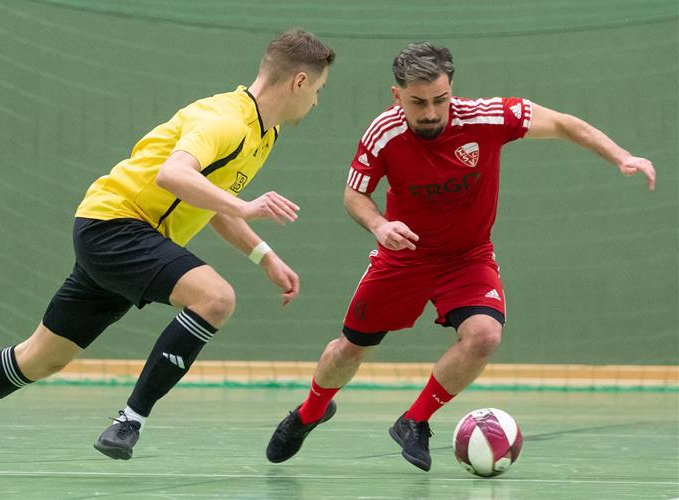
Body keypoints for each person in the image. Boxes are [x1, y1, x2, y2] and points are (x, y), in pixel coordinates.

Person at [0, 28, 335, 473]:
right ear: (298, 81)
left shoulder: (265, 134)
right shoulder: (226, 120)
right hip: (117, 226)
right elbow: (173, 175)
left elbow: (208, 199)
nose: (315, 102)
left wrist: (264, 256)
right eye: (316, 90)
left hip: (117, 234)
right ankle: (130, 420)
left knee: (41, 357)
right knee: (215, 298)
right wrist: (246, 204)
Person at [265, 41, 656, 471]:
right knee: (349, 351)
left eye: (440, 99)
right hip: (403, 259)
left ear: (452, 89)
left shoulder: (489, 117)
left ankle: (414, 421)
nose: (431, 112)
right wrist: (380, 226)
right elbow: (354, 194)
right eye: (418, 103)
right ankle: (310, 412)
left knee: (485, 336)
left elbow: (563, 124)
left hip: (467, 258)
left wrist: (622, 155)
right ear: (398, 97)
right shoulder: (384, 132)